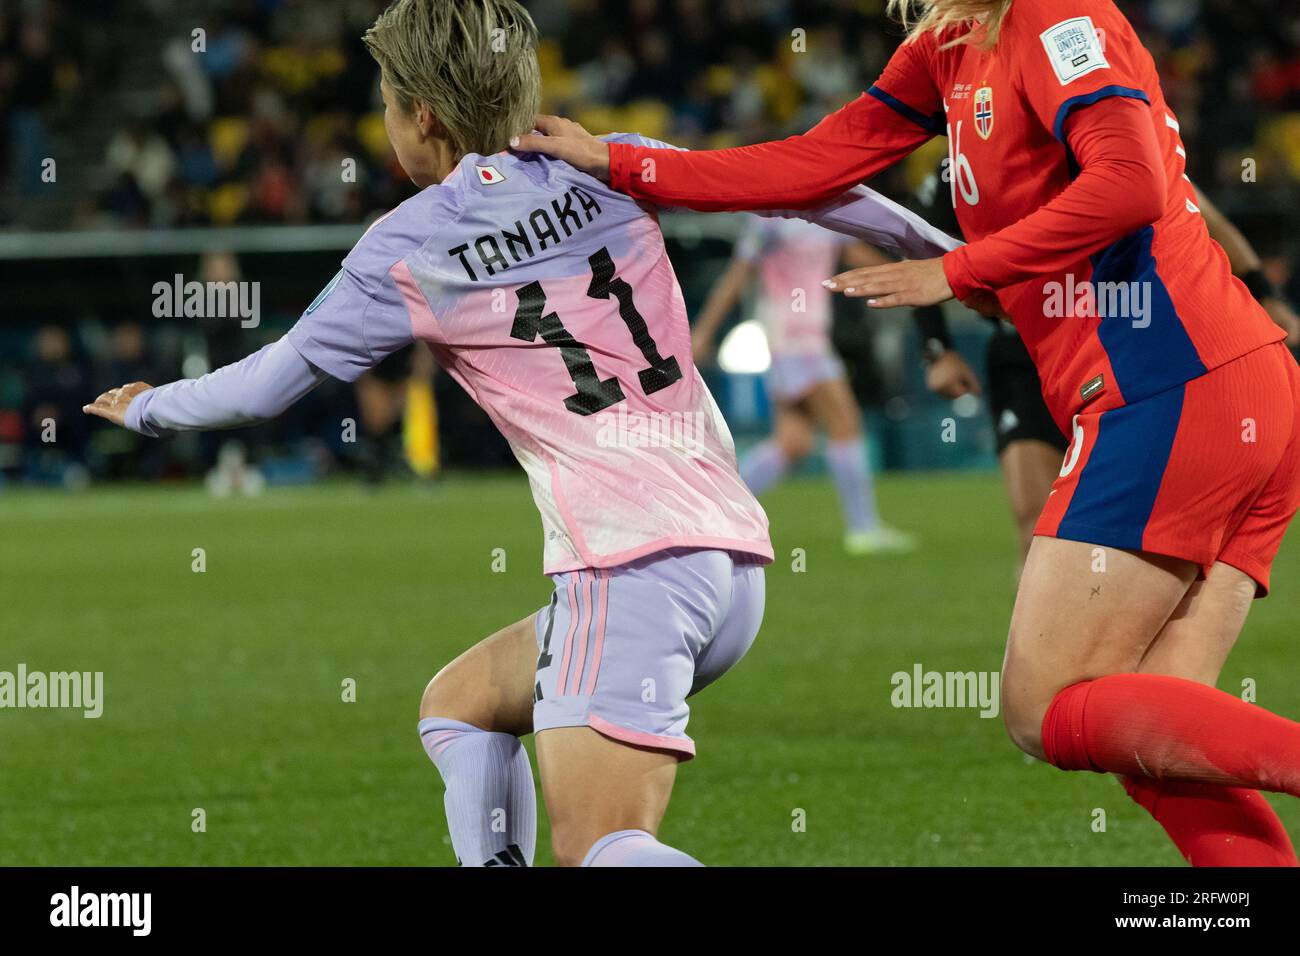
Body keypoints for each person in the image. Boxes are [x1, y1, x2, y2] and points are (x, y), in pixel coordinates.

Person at [85, 0, 956, 866]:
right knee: (459, 704)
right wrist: (952, 260)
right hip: (729, 564)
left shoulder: (408, 245)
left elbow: (272, 382)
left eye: (387, 104)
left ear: (420, 115)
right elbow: (807, 186)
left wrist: (152, 406)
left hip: (628, 565)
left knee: (601, 852)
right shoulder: (608, 163)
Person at [517, 0, 1300, 866]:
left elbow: (1132, 183)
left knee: (1045, 705)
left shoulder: (1057, 14)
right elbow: (814, 163)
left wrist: (958, 269)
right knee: (1155, 733)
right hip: (1221, 388)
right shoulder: (948, 46)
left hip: (1173, 383)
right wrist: (626, 162)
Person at [694, 215, 917, 554]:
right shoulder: (770, 219)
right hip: (796, 338)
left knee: (792, 442)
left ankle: (714, 512)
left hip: (798, 339)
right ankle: (863, 529)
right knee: (845, 422)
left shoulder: (825, 213)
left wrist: (915, 277)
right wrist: (704, 331)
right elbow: (738, 276)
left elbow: (855, 256)